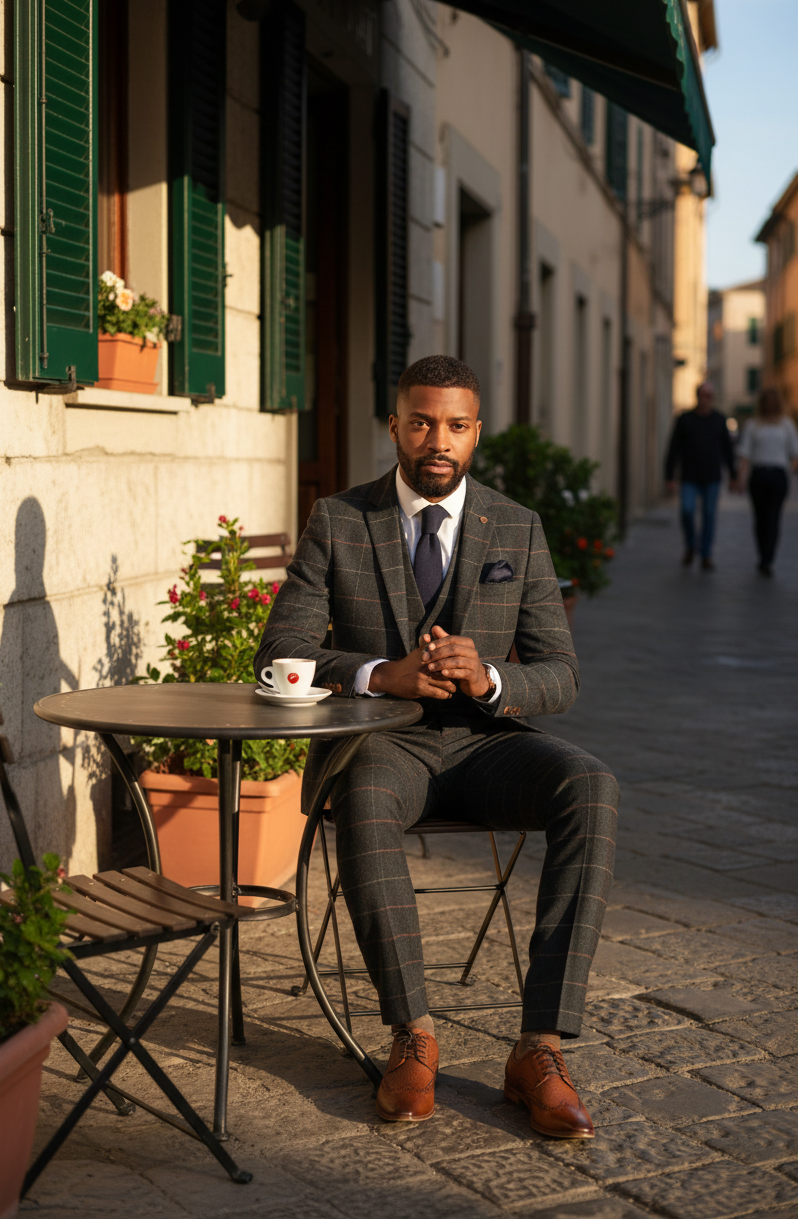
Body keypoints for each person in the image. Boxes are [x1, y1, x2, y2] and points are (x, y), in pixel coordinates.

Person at [255, 355, 618, 1139]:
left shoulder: (516, 527)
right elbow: (276, 650)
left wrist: (488, 676)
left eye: (455, 425)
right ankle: (412, 1033)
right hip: (383, 743)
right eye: (421, 422)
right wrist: (385, 674)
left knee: (591, 786)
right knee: (363, 794)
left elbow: (560, 675)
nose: (437, 441)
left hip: (486, 746)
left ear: (476, 433)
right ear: (394, 426)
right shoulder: (340, 520)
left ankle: (540, 1048)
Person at [664, 381, 738, 570]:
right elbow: (674, 448)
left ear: (712, 398)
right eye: (702, 396)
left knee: (709, 515)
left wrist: (734, 476)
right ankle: (691, 545)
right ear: (697, 396)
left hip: (712, 477)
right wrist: (669, 476)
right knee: (687, 511)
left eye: (708, 396)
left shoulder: (719, 420)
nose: (705, 400)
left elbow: (727, 450)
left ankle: (706, 554)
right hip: (689, 476)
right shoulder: (685, 419)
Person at [737, 387, 798, 576]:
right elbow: (745, 455)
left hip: (778, 475)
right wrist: (741, 478)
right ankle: (763, 553)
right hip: (759, 474)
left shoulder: (786, 425)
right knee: (760, 517)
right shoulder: (753, 425)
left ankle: (768, 558)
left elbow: (795, 453)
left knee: (773, 517)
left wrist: (788, 470)